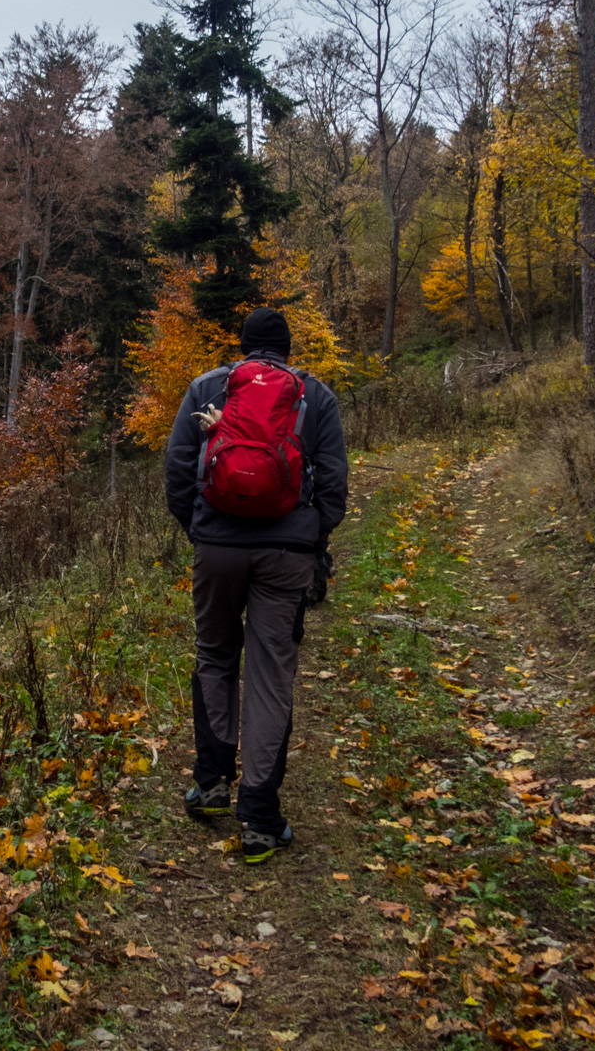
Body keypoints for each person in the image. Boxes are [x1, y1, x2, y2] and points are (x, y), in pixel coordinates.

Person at [162, 306, 348, 864]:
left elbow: (177, 469)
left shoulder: (206, 387)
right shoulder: (316, 396)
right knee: (271, 674)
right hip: (286, 553)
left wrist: (199, 529)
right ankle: (261, 818)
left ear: (242, 346)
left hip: (217, 544)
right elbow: (334, 481)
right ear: (288, 349)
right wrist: (313, 536)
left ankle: (213, 784)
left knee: (215, 656)